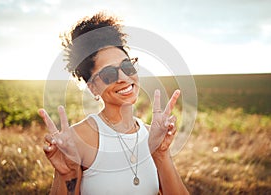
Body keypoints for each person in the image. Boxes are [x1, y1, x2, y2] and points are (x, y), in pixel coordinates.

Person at [39, 12, 189, 195]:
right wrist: (66, 176)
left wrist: (161, 154)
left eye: (127, 66)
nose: (124, 78)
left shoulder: (153, 136)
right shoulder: (78, 139)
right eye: (109, 74)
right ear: (93, 87)